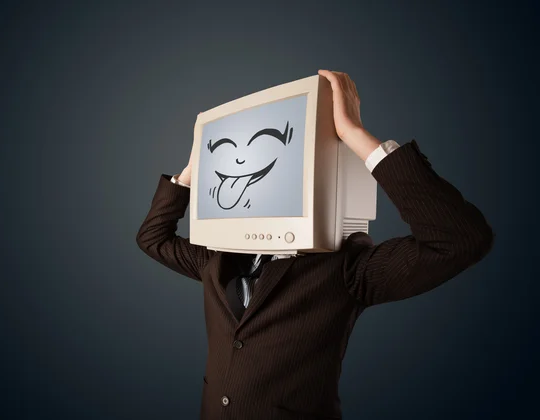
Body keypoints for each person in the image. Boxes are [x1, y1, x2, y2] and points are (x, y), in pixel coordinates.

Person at [136, 69, 494, 420]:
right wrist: (191, 169)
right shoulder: (216, 257)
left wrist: (355, 136)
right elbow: (153, 238)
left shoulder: (345, 268)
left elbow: (460, 240)